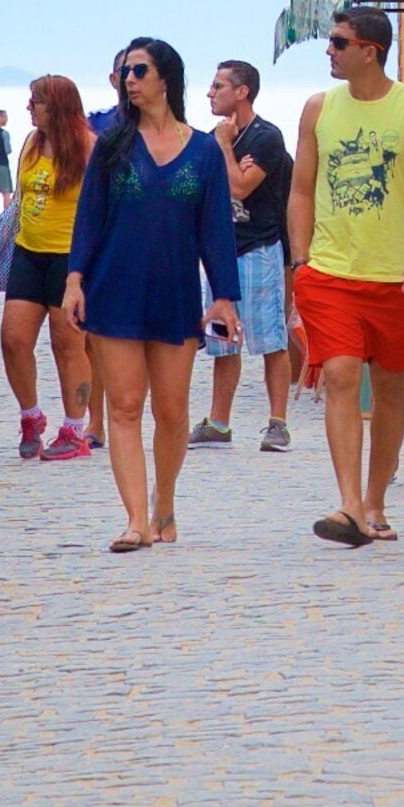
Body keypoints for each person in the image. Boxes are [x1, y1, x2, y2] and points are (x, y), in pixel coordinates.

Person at [61, 36, 243, 552]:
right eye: (124, 72)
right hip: (113, 289)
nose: (130, 80)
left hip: (175, 294)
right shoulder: (112, 143)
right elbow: (89, 219)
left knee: (172, 412)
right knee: (122, 407)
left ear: (167, 77)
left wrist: (224, 296)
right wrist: (75, 280)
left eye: (140, 70)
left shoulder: (205, 150)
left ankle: (165, 504)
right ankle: (136, 519)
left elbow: (216, 231)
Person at [289, 6, 404, 547]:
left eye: (338, 42)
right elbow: (303, 189)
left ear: (370, 51)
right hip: (331, 272)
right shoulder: (318, 109)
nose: (329, 51)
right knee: (339, 376)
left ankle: (376, 501)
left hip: (396, 276)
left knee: (387, 389)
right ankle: (349, 505)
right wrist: (300, 262)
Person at [193, 59, 297, 452]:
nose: (210, 92)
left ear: (242, 92)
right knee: (223, 341)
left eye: (218, 86)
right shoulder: (209, 140)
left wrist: (224, 148)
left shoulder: (265, 137)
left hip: (259, 248)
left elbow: (238, 188)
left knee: (270, 339)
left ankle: (278, 423)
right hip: (221, 252)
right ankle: (219, 422)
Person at [0, 76, 99, 461]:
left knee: (67, 344)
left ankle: (75, 429)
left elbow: (103, 210)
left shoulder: (89, 148)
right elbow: (19, 204)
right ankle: (31, 416)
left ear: (57, 106)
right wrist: (0, 250)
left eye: (35, 102)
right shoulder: (30, 144)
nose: (29, 108)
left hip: (70, 259)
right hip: (28, 252)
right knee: (13, 339)